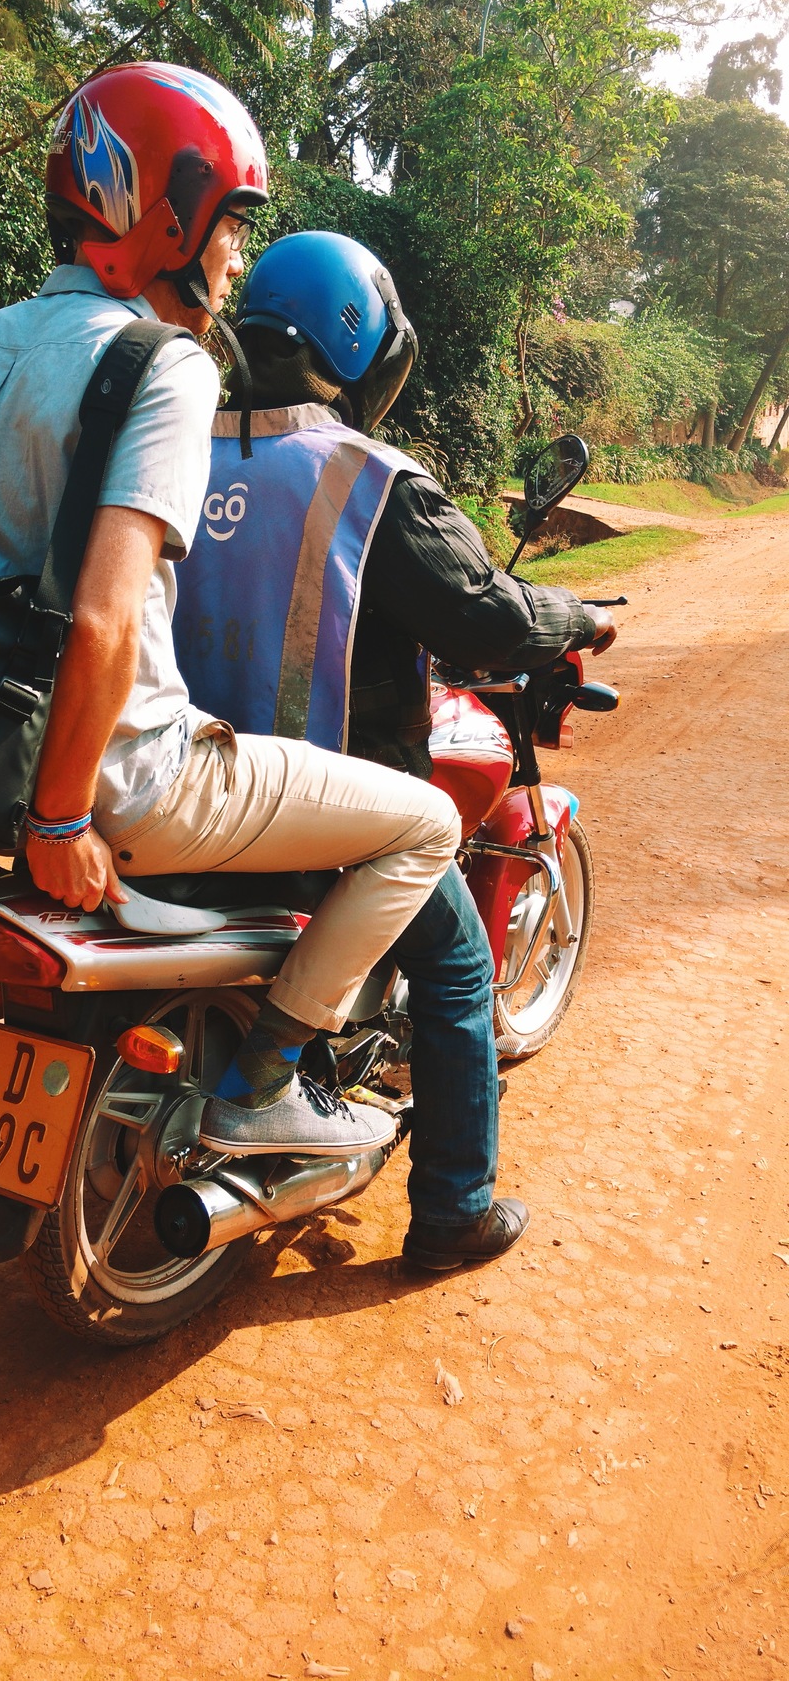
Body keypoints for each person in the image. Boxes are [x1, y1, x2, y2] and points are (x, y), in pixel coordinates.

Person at [0, 70, 461, 1170]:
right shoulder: (167, 366)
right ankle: (266, 1081)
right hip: (145, 782)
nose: (234, 257)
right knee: (427, 825)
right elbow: (105, 616)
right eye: (231, 223)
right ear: (167, 213)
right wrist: (61, 818)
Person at [174, 229, 618, 1267]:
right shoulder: (368, 477)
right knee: (462, 970)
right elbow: (484, 617)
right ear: (365, 351)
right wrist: (575, 616)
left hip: (177, 781)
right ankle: (453, 1207)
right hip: (321, 803)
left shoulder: (177, 450)